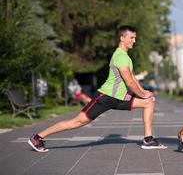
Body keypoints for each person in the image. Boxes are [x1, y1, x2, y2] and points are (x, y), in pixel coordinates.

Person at [28, 25, 167, 152]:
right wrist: (142, 94)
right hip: (105, 97)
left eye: (135, 38)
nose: (134, 40)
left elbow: (133, 78)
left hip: (118, 97)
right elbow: (129, 82)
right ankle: (38, 137)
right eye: (131, 37)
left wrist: (144, 92)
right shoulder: (120, 57)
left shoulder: (126, 57)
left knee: (149, 102)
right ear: (122, 38)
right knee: (77, 122)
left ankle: (148, 140)